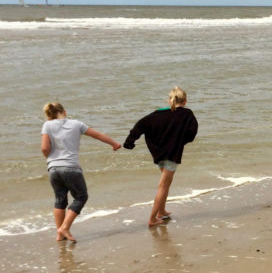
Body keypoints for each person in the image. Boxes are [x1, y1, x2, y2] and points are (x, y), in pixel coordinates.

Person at [40, 102, 121, 242]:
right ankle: (64, 228)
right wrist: (114, 144)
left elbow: (44, 148)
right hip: (71, 167)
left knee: (60, 200)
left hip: (53, 168)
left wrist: (51, 159)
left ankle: (60, 234)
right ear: (64, 112)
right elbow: (97, 135)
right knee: (81, 197)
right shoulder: (76, 124)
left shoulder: (47, 125)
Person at [124, 87, 198, 226]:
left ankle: (162, 211)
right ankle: (152, 219)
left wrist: (130, 141)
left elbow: (140, 125)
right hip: (172, 154)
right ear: (185, 101)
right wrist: (180, 141)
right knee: (163, 186)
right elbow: (192, 133)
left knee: (167, 183)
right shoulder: (187, 114)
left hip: (158, 153)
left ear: (169, 100)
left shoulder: (157, 114)